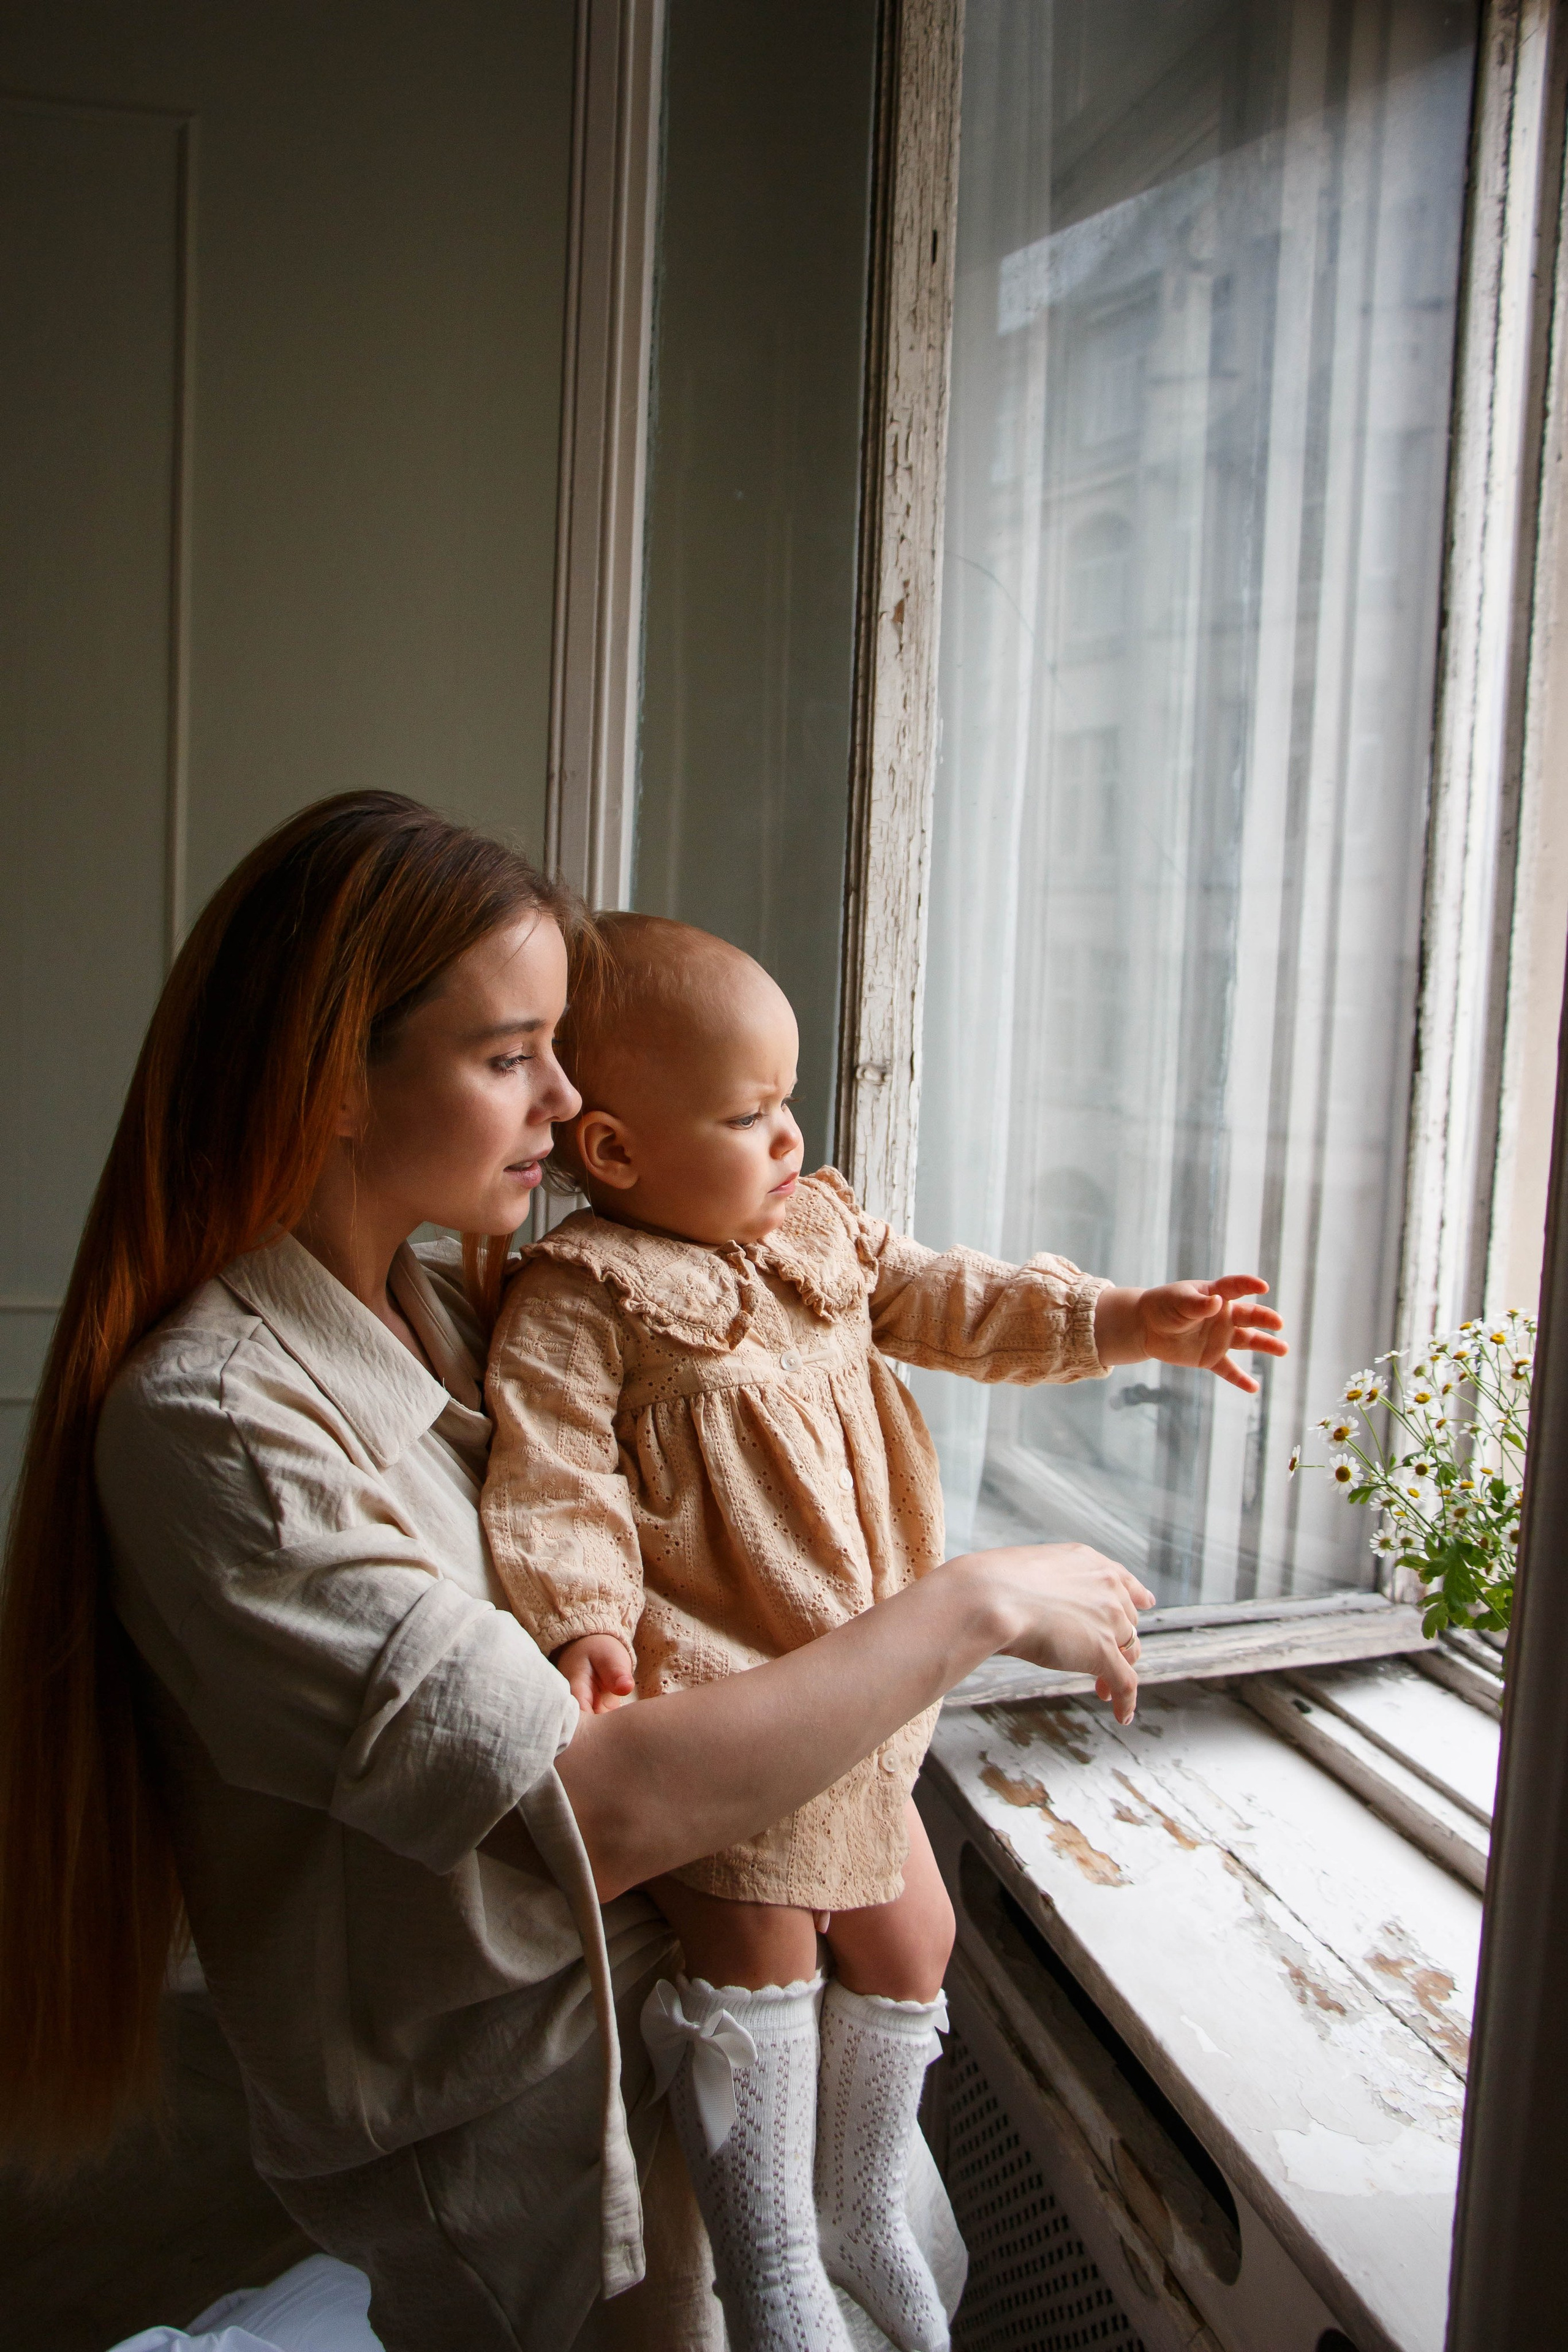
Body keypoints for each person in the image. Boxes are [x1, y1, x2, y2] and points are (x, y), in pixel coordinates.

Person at [0, 794, 1155, 2352]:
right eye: (507, 1057)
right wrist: (963, 1608)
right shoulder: (219, 1428)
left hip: (710, 2077)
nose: (565, 1097)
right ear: (336, 1076)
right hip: (557, 2189)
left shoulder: (477, 1319)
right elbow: (587, 1808)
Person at [481, 914, 1287, 2352]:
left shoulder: (819, 1230)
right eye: (745, 1116)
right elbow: (553, 1480)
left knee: (915, 1941)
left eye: (788, 1101)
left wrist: (1120, 1321)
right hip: (724, 1689)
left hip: (859, 1690)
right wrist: (583, 1623)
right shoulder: (582, 1295)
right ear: (610, 1154)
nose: (788, 1137)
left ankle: (856, 2204)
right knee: (763, 1967)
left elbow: (950, 1299)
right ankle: (776, 2259)